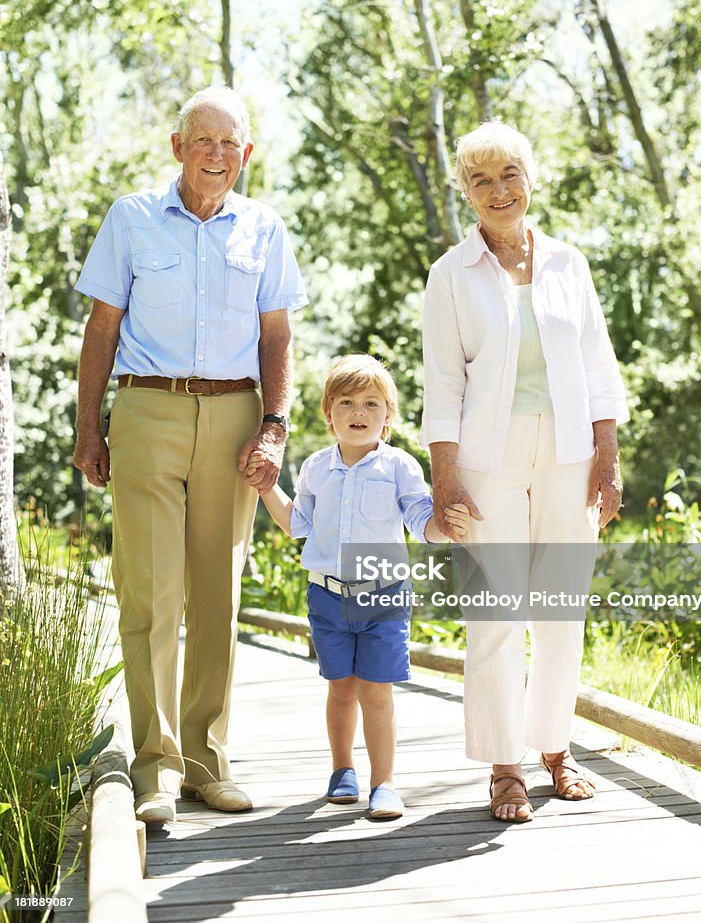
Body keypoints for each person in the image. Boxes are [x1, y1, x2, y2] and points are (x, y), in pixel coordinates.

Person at [73, 85, 308, 825]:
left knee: (217, 595)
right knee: (150, 593)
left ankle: (207, 762)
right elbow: (101, 330)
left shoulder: (264, 229)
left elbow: (277, 338)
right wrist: (89, 429)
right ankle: (154, 767)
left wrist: (274, 425)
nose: (215, 153)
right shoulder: (132, 219)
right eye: (201, 139)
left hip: (236, 413)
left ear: (247, 153)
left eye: (229, 142)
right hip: (147, 408)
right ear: (177, 147)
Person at [421, 121, 629, 823]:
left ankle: (554, 749)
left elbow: (598, 366)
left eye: (507, 173)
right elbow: (442, 383)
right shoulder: (450, 274)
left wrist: (608, 457)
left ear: (529, 179)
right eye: (479, 179)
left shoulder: (568, 263)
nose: (496, 190)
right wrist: (444, 477)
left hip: (571, 454)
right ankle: (505, 765)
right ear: (464, 193)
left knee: (560, 614)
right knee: (495, 615)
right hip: (487, 459)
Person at [249, 354, 469, 819]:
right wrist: (266, 486)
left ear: (388, 416)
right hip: (327, 596)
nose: (358, 412)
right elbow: (296, 523)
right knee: (341, 688)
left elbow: (419, 519)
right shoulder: (314, 468)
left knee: (377, 690)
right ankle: (341, 770)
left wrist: (444, 528)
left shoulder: (400, 468)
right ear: (329, 413)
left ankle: (384, 782)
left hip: (384, 596)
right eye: (346, 402)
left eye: (372, 403)